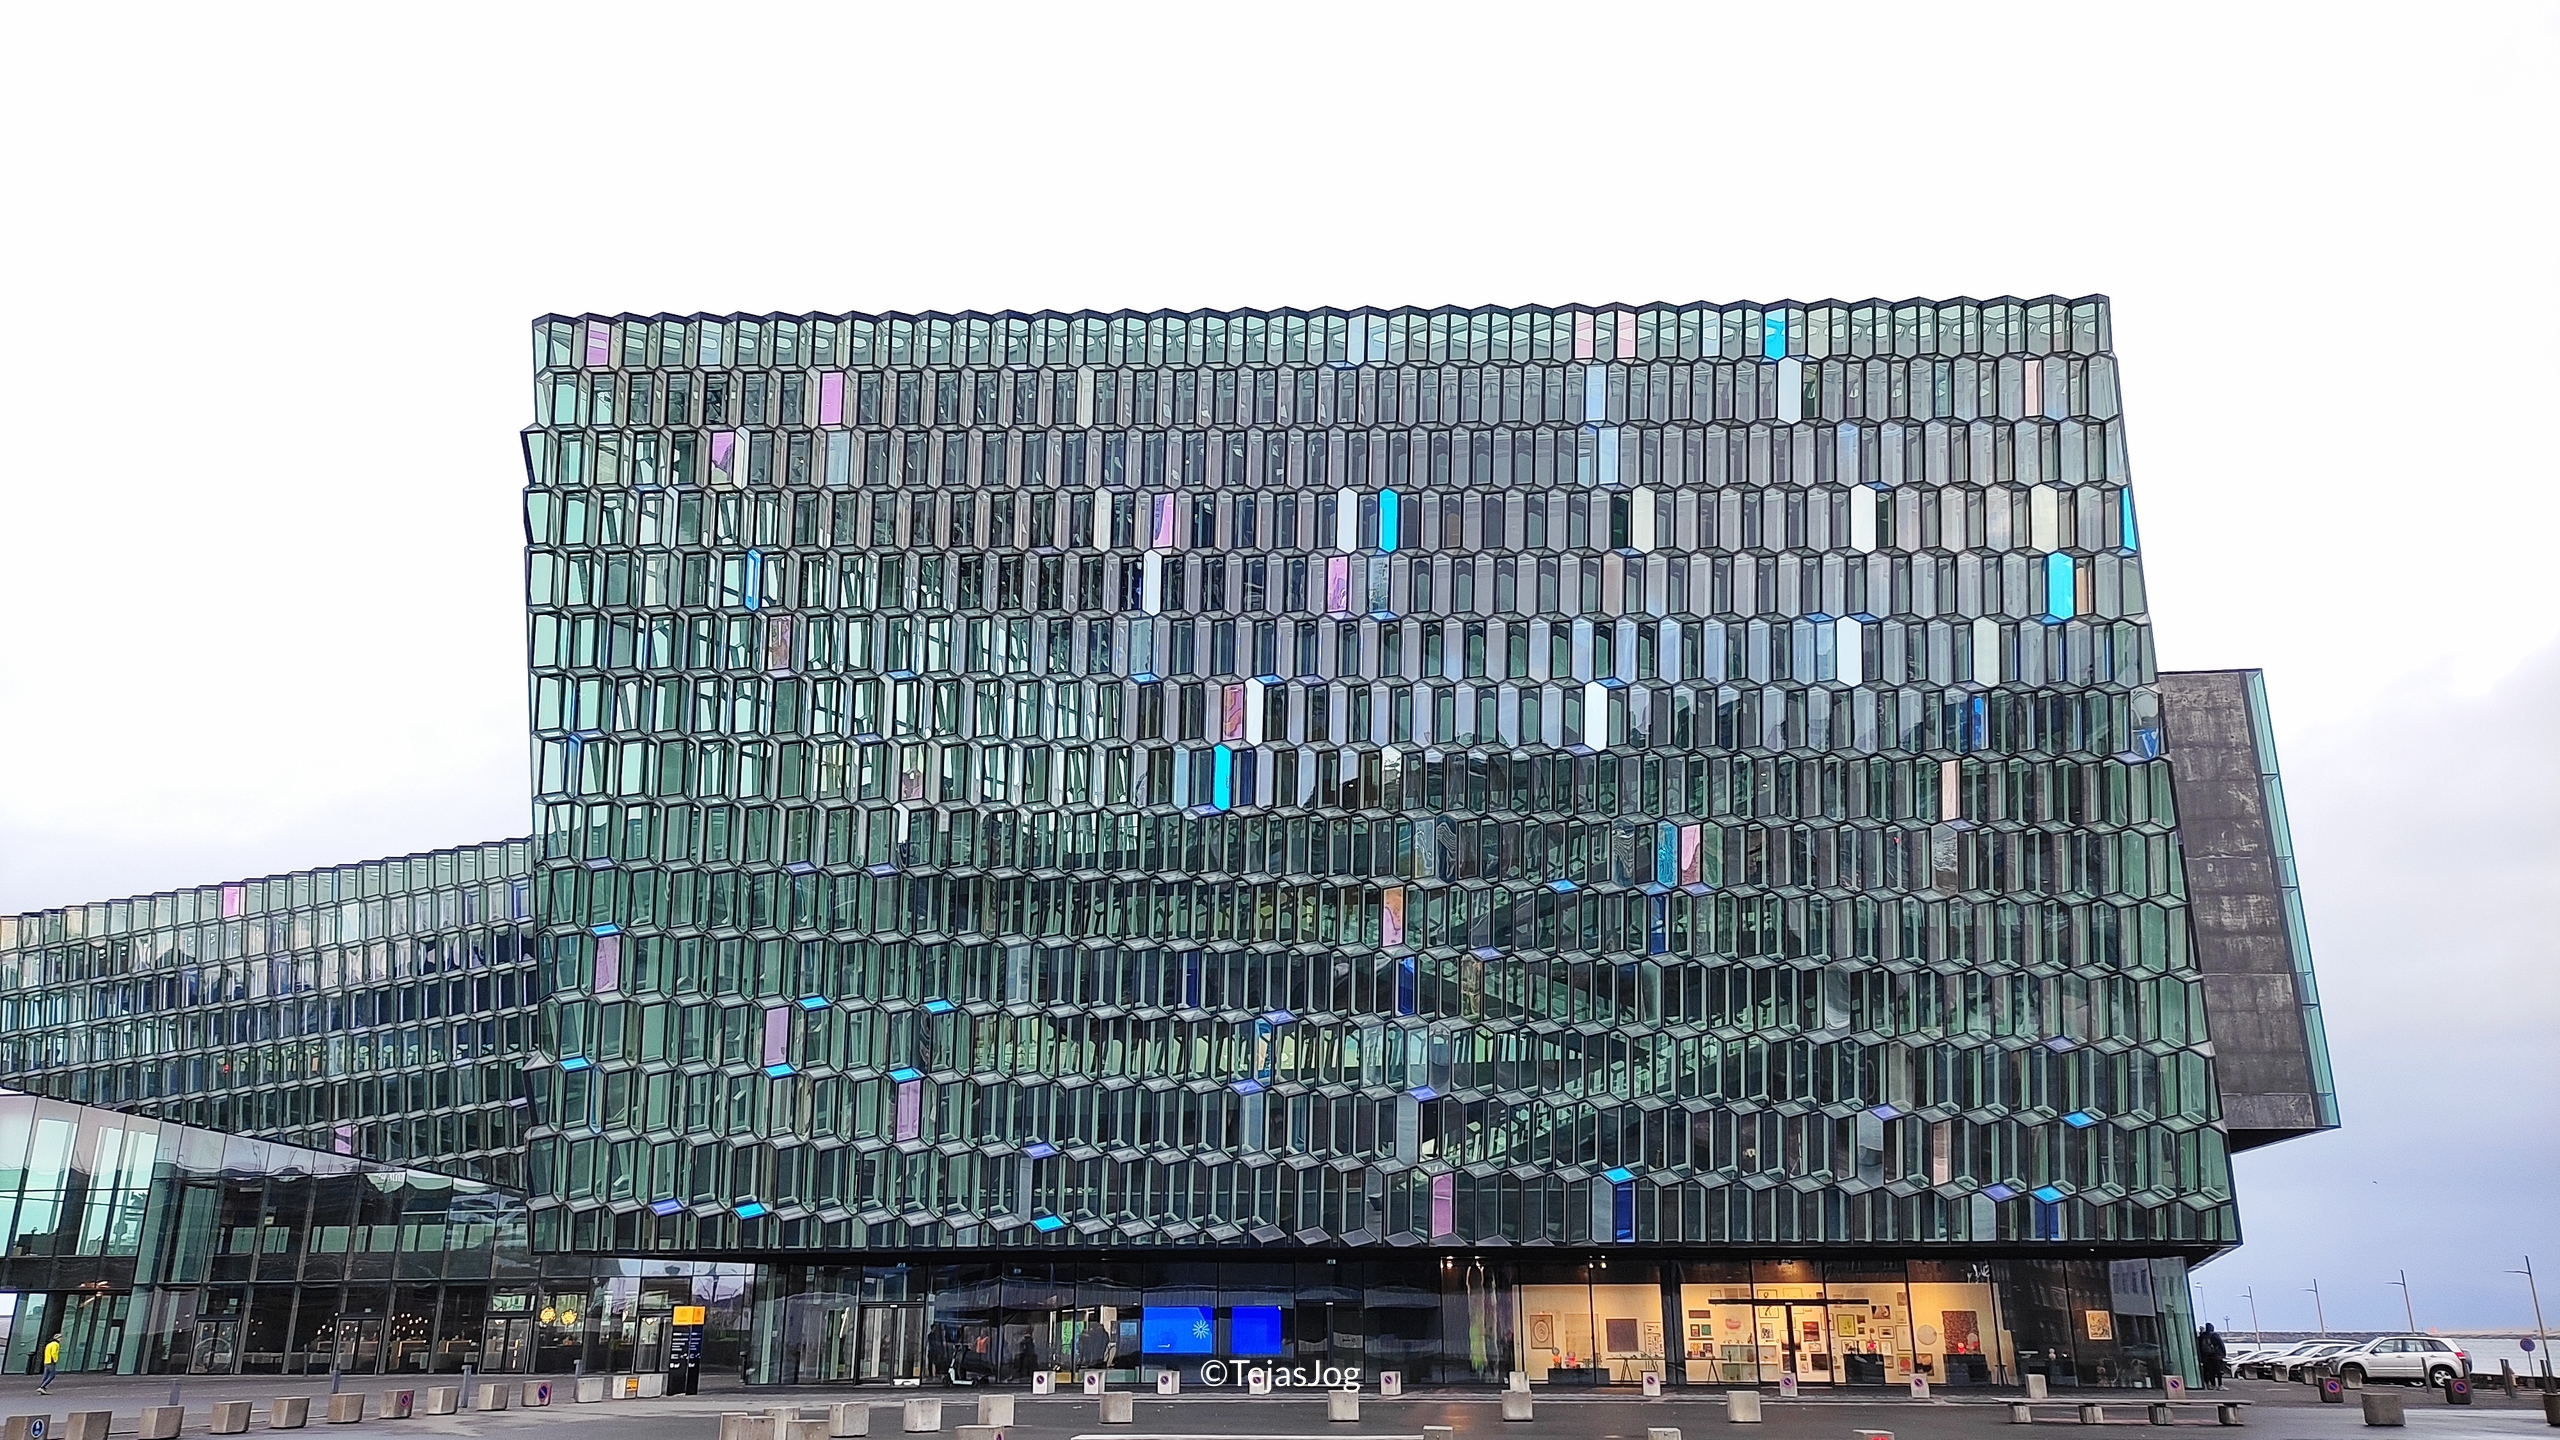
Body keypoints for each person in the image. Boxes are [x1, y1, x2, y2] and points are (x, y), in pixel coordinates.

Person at [2197, 1323, 2227, 1389]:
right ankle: (2220, 1385)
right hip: (2216, 1356)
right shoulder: (2215, 1335)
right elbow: (2221, 1345)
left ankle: (2211, 1385)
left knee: (2209, 1371)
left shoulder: (2202, 1336)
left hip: (2206, 1357)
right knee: (2219, 1371)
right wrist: (2223, 1354)